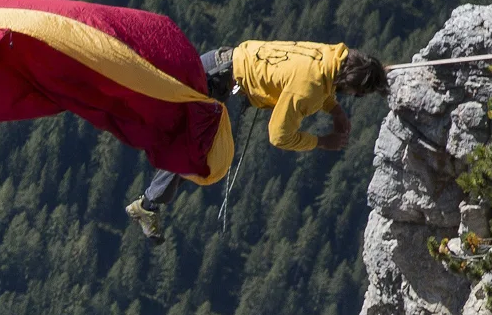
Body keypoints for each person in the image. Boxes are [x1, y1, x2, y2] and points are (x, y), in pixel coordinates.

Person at [127, 43, 388, 240]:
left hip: (221, 64)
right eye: (356, 93)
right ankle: (147, 205)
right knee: (189, 149)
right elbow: (279, 135)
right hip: (217, 82)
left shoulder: (331, 55)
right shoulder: (309, 87)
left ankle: (148, 201)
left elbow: (320, 80)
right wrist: (322, 141)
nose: (354, 96)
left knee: (171, 122)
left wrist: (336, 111)